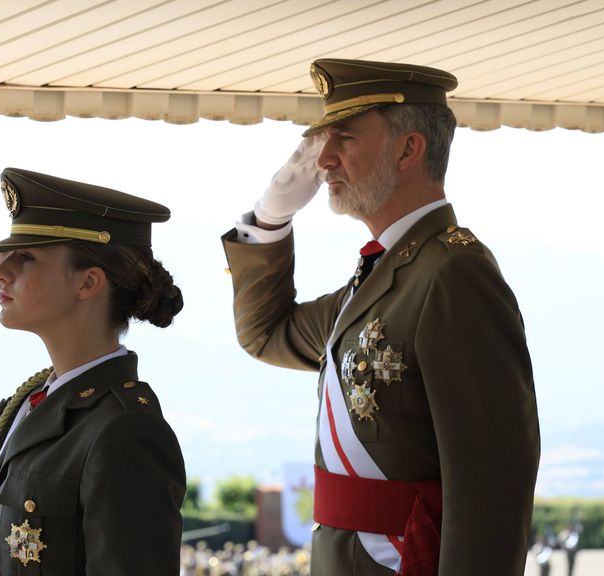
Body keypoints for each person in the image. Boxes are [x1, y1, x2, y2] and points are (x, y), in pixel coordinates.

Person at [222, 59, 540, 575]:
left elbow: (491, 484)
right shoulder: (384, 273)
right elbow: (266, 333)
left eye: (343, 138)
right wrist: (271, 218)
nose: (324, 160)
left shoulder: (453, 275)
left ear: (409, 149)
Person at [0, 167, 187, 576]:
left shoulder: (123, 429)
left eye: (26, 257)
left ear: (87, 283)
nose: (0, 272)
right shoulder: (36, 408)